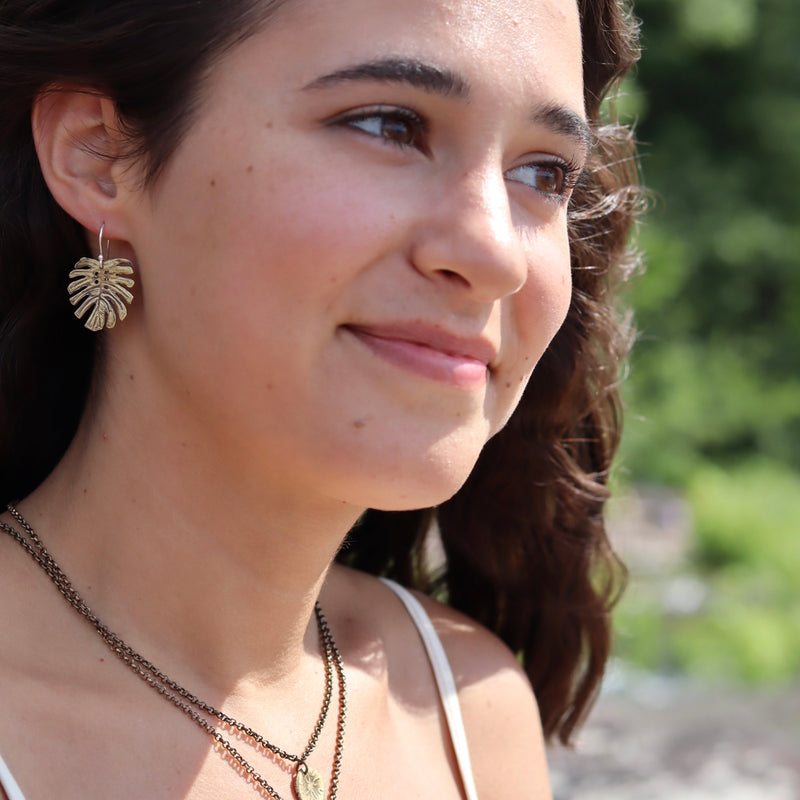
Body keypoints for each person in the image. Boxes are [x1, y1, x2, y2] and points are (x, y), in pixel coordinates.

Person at [0, 0, 641, 797]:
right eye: (388, 125)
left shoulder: (467, 713)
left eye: (543, 174)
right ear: (100, 156)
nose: (496, 253)